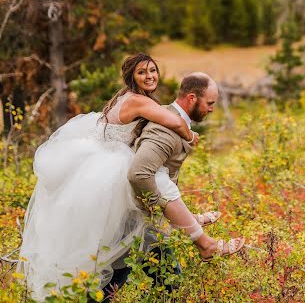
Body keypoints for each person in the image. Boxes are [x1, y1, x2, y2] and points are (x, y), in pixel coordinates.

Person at [17, 53, 220, 301]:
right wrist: (189, 135)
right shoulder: (137, 101)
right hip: (111, 176)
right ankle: (195, 247)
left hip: (101, 173)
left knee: (124, 251)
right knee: (125, 247)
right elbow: (173, 120)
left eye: (153, 70)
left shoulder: (129, 98)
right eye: (142, 72)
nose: (150, 76)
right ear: (131, 77)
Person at [129, 72, 245, 261]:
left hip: (144, 217)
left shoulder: (169, 115)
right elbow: (139, 174)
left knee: (123, 276)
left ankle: (196, 229)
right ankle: (207, 246)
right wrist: (157, 208)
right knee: (159, 277)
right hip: (138, 215)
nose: (212, 109)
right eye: (210, 103)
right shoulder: (164, 131)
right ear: (192, 98)